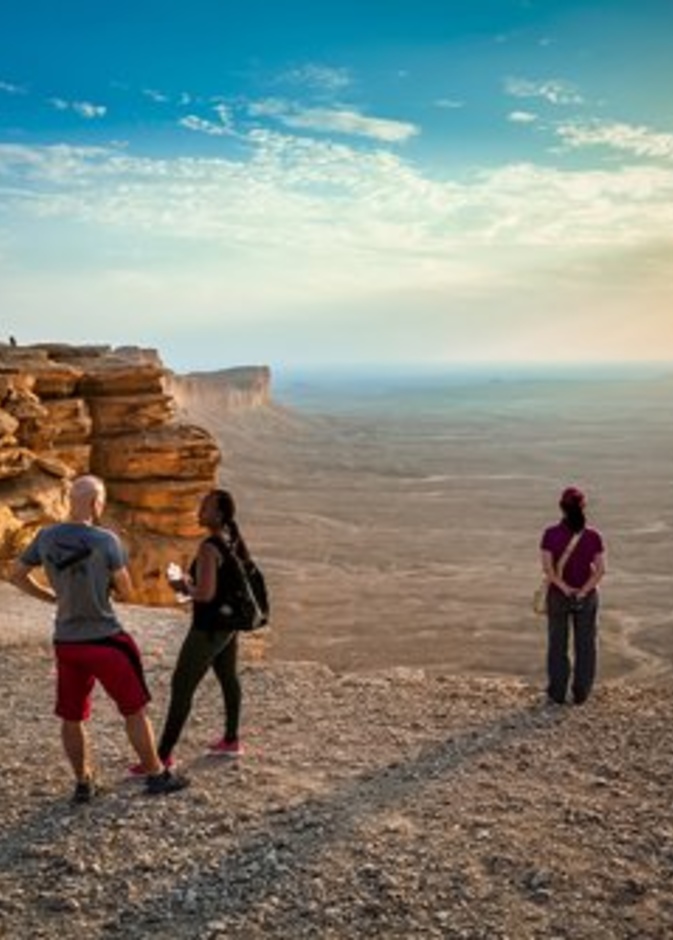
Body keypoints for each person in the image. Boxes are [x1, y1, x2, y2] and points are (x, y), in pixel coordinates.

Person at [10, 475, 189, 802]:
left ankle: (83, 783)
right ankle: (156, 774)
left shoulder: (45, 536)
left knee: (72, 716)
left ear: (68, 500)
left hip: (66, 642)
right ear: (96, 504)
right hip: (106, 640)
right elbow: (126, 589)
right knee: (134, 710)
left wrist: (53, 597)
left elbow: (16, 574)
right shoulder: (106, 540)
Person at [154, 488, 248, 767]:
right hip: (228, 624)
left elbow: (205, 594)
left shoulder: (209, 547)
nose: (199, 512)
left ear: (218, 514)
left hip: (208, 628)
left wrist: (181, 584)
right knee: (228, 677)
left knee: (181, 685)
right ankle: (231, 740)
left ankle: (161, 757)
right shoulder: (232, 539)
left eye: (205, 508)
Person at [539, 486, 606, 705]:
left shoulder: (550, 534)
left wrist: (565, 588)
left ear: (562, 507)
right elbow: (600, 570)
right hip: (586, 597)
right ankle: (581, 694)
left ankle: (557, 693)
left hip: (558, 595)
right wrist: (584, 591)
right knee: (586, 644)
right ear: (583, 507)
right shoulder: (594, 536)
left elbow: (548, 570)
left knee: (557, 643)